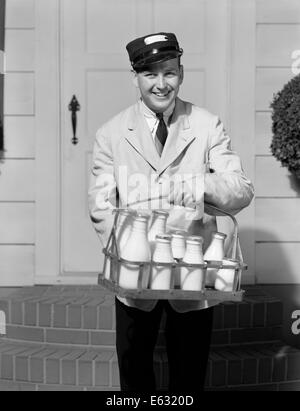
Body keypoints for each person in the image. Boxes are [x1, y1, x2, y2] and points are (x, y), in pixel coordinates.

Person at [88, 32, 254, 392]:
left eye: (169, 73)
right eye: (150, 74)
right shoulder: (111, 133)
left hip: (193, 271)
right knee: (134, 375)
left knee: (189, 375)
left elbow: (241, 190)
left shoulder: (207, 125)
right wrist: (132, 251)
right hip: (135, 276)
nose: (161, 84)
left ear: (182, 72)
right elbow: (101, 205)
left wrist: (199, 184)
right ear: (135, 77)